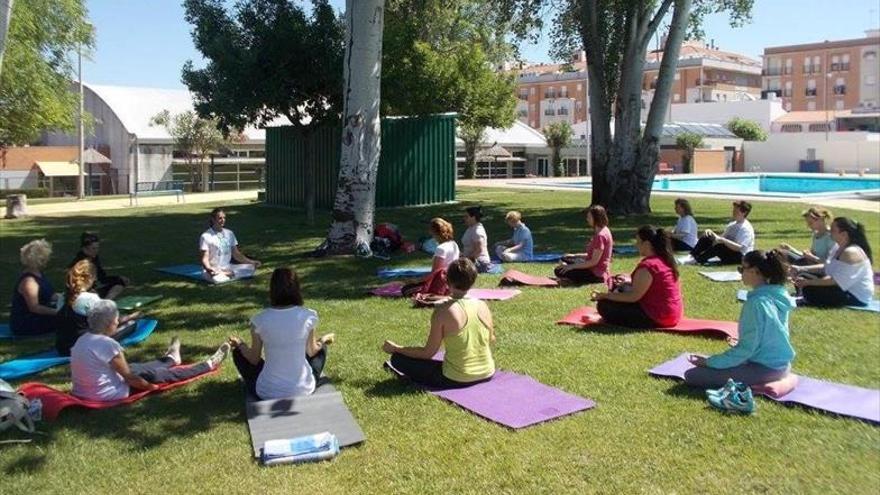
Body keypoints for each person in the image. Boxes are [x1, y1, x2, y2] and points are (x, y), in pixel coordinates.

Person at [70, 300, 228, 402]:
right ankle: (207, 365)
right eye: (116, 320)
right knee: (159, 375)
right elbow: (131, 379)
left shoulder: (82, 339)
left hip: (84, 392)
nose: (118, 322)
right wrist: (151, 387)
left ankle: (171, 359)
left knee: (136, 367)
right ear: (109, 323)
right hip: (107, 395)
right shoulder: (107, 344)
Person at [684, 250, 795, 388]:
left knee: (693, 375)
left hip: (766, 368)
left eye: (742, 269)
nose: (740, 272)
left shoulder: (756, 303)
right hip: (782, 365)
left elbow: (745, 350)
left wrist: (709, 362)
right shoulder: (779, 295)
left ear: (756, 271)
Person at [383, 258, 495, 389]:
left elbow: (428, 353)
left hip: (456, 378)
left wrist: (396, 348)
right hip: (487, 372)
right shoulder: (483, 305)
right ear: (473, 280)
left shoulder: (443, 312)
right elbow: (491, 339)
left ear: (448, 281)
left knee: (398, 359)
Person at [228, 268, 335, 400]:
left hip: (267, 391)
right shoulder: (308, 316)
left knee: (238, 352)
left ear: (272, 290)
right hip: (303, 389)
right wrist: (322, 340)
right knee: (321, 348)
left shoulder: (259, 320)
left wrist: (240, 344)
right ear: (297, 289)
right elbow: (312, 351)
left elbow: (253, 358)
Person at [591, 226, 683, 328]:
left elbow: (633, 297)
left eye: (638, 242)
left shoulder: (648, 266)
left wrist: (604, 295)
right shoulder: (665, 261)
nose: (636, 245)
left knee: (604, 305)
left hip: (659, 317)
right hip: (673, 314)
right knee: (623, 288)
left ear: (647, 244)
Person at [55, 259, 139, 356]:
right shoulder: (90, 298)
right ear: (90, 278)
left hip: (62, 348)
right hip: (85, 347)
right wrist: (131, 316)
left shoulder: (62, 297)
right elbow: (110, 323)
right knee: (131, 324)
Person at [794, 217, 874, 307]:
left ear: (844, 234)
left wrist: (808, 282)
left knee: (810, 289)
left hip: (855, 296)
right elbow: (827, 267)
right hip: (842, 288)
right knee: (803, 276)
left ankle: (806, 297)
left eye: (832, 230)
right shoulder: (837, 247)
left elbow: (835, 281)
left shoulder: (851, 252)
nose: (829, 231)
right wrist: (800, 269)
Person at [10, 239, 59, 336]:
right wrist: (58, 312)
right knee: (69, 319)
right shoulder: (29, 281)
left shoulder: (39, 274)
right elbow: (34, 308)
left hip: (40, 315)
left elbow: (51, 295)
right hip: (28, 322)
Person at [401, 218, 461, 297]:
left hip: (442, 284)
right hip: (453, 282)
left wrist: (416, 281)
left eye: (431, 231)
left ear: (435, 232)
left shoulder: (441, 248)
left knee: (405, 289)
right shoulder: (454, 244)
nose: (429, 233)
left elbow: (434, 273)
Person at [554, 205, 613, 285]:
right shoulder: (603, 230)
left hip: (596, 274)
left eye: (589, 217)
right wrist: (574, 256)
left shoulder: (601, 236)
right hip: (592, 267)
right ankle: (569, 275)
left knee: (558, 271)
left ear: (596, 218)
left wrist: (572, 266)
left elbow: (593, 262)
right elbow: (591, 255)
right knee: (565, 258)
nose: (587, 219)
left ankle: (570, 279)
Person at [199, 207, 261, 283]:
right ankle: (230, 274)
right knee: (216, 279)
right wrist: (209, 269)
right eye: (220, 218)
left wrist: (252, 262)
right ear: (213, 219)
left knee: (251, 267)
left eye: (224, 218)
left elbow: (236, 254)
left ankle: (228, 274)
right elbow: (204, 258)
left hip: (227, 267)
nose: (223, 220)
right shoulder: (206, 236)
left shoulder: (229, 233)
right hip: (213, 269)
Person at [689, 200, 755, 265]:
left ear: (744, 213)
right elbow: (720, 239)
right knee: (706, 237)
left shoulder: (746, 229)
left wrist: (723, 241)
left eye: (736, 211)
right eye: (733, 210)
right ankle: (691, 256)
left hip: (740, 257)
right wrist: (711, 233)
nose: (733, 212)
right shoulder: (732, 225)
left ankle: (698, 260)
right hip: (729, 251)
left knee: (720, 247)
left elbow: (740, 248)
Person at [69, 232, 130, 299]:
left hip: (92, 290)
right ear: (84, 249)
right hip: (82, 294)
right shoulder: (80, 264)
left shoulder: (94, 258)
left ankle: (105, 302)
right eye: (93, 248)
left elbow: (102, 277)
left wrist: (118, 278)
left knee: (120, 283)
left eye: (97, 248)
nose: (96, 251)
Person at [460, 206, 493, 272]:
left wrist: (465, 259)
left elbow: (479, 251)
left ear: (473, 217)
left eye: (466, 217)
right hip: (470, 260)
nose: (464, 219)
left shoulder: (477, 231)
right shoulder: (471, 228)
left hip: (480, 263)